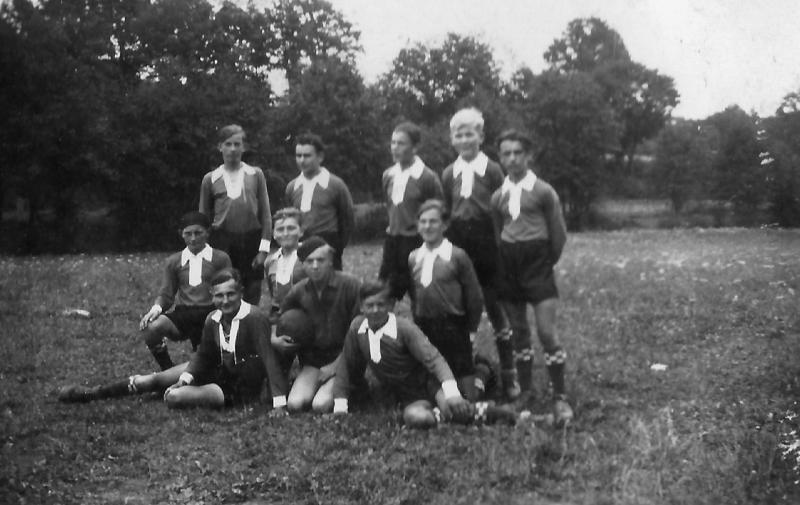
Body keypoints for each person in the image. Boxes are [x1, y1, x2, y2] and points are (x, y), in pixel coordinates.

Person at [59, 269, 285, 408]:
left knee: (174, 397)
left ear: (241, 293)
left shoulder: (254, 317)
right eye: (219, 295)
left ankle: (186, 391)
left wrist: (279, 404)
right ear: (212, 296)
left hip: (238, 388)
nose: (225, 301)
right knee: (151, 381)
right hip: (215, 369)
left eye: (230, 294)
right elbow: (203, 355)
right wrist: (185, 378)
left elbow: (269, 360)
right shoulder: (212, 318)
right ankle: (92, 393)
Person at [331, 281, 518, 429]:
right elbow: (346, 365)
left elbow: (433, 359)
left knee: (456, 409)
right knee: (417, 418)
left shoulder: (404, 328)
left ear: (390, 305)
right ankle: (464, 400)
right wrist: (340, 405)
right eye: (369, 305)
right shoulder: (357, 328)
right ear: (361, 307)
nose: (375, 310)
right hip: (404, 394)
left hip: (428, 384)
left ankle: (496, 401)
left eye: (380, 304)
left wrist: (451, 393)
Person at [490, 129, 573, 425]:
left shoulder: (543, 191)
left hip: (537, 264)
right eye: (506, 153)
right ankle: (525, 391)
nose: (512, 158)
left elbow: (558, 234)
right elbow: (498, 232)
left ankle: (560, 395)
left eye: (518, 153)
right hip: (509, 264)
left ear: (528, 156)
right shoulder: (498, 196)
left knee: (547, 332)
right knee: (519, 332)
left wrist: (545, 262)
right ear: (500, 158)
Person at [441, 107, 520, 400]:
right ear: (452, 139)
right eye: (458, 135)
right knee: (460, 310)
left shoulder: (493, 170)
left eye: (469, 134)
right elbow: (447, 211)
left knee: (496, 309)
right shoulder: (449, 173)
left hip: (488, 245)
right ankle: (464, 371)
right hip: (460, 244)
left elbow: (504, 209)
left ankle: (510, 375)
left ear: (481, 136)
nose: (464, 140)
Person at [408, 199, 492, 401]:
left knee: (468, 397)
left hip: (454, 327)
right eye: (423, 222)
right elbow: (415, 294)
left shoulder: (456, 256)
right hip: (426, 327)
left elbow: (474, 297)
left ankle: (483, 372)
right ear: (418, 225)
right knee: (430, 387)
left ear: (444, 225)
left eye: (433, 221)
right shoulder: (414, 257)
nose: (427, 226)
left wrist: (470, 330)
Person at [271, 236, 361, 414]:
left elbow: (360, 331)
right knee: (295, 404)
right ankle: (325, 385)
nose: (315, 266)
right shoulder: (300, 289)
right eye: (309, 261)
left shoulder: (350, 285)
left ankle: (355, 386)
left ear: (331, 261)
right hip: (315, 361)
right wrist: (274, 338)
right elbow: (276, 316)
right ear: (302, 265)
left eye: (321, 260)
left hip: (345, 357)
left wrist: (335, 367)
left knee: (320, 405)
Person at [139, 211, 232, 370]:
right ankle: (167, 368)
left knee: (206, 362)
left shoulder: (220, 258)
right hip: (185, 313)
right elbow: (166, 294)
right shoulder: (174, 261)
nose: (193, 238)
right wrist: (156, 309)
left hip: (211, 312)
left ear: (207, 232)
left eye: (198, 233)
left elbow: (228, 288)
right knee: (151, 327)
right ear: (181, 234)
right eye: (188, 234)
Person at [199, 124, 272, 305]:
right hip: (222, 241)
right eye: (228, 144)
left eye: (237, 144)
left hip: (251, 239)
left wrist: (263, 250)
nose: (233, 149)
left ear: (243, 147)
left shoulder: (255, 174)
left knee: (252, 289)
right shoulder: (211, 178)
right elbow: (202, 218)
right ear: (220, 146)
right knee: (225, 289)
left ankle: (250, 321)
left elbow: (266, 215)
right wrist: (205, 249)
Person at [379, 122, 443, 301]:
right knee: (384, 293)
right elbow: (389, 206)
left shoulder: (427, 177)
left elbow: (438, 210)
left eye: (401, 143)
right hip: (393, 242)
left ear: (415, 147)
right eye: (393, 143)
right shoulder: (388, 175)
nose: (395, 148)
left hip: (416, 242)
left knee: (419, 294)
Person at [284, 133, 354, 270]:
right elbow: (290, 220)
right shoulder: (292, 187)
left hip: (328, 244)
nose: (302, 160)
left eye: (307, 156)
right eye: (298, 156)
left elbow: (347, 219)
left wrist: (337, 246)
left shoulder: (335, 185)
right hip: (301, 246)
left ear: (320, 157)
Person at [263, 207, 307, 382]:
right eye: (280, 229)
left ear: (301, 231)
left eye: (291, 228)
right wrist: (273, 336)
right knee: (272, 381)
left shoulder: (309, 258)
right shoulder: (270, 261)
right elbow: (275, 300)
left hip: (307, 317)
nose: (286, 233)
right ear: (274, 234)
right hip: (281, 319)